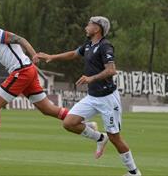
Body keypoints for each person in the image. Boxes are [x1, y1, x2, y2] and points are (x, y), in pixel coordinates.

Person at [0, 15, 96, 162]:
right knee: (47, 109)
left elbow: (20, 39)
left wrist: (34, 55)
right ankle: (85, 124)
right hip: (27, 71)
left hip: (22, 71)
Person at [37, 16, 141, 176]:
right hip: (92, 97)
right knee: (69, 123)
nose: (86, 26)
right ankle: (100, 138)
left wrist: (90, 78)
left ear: (97, 28)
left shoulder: (105, 46)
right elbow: (73, 54)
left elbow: (111, 70)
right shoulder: (88, 45)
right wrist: (52, 56)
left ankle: (134, 172)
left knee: (115, 138)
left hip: (108, 99)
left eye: (90, 24)